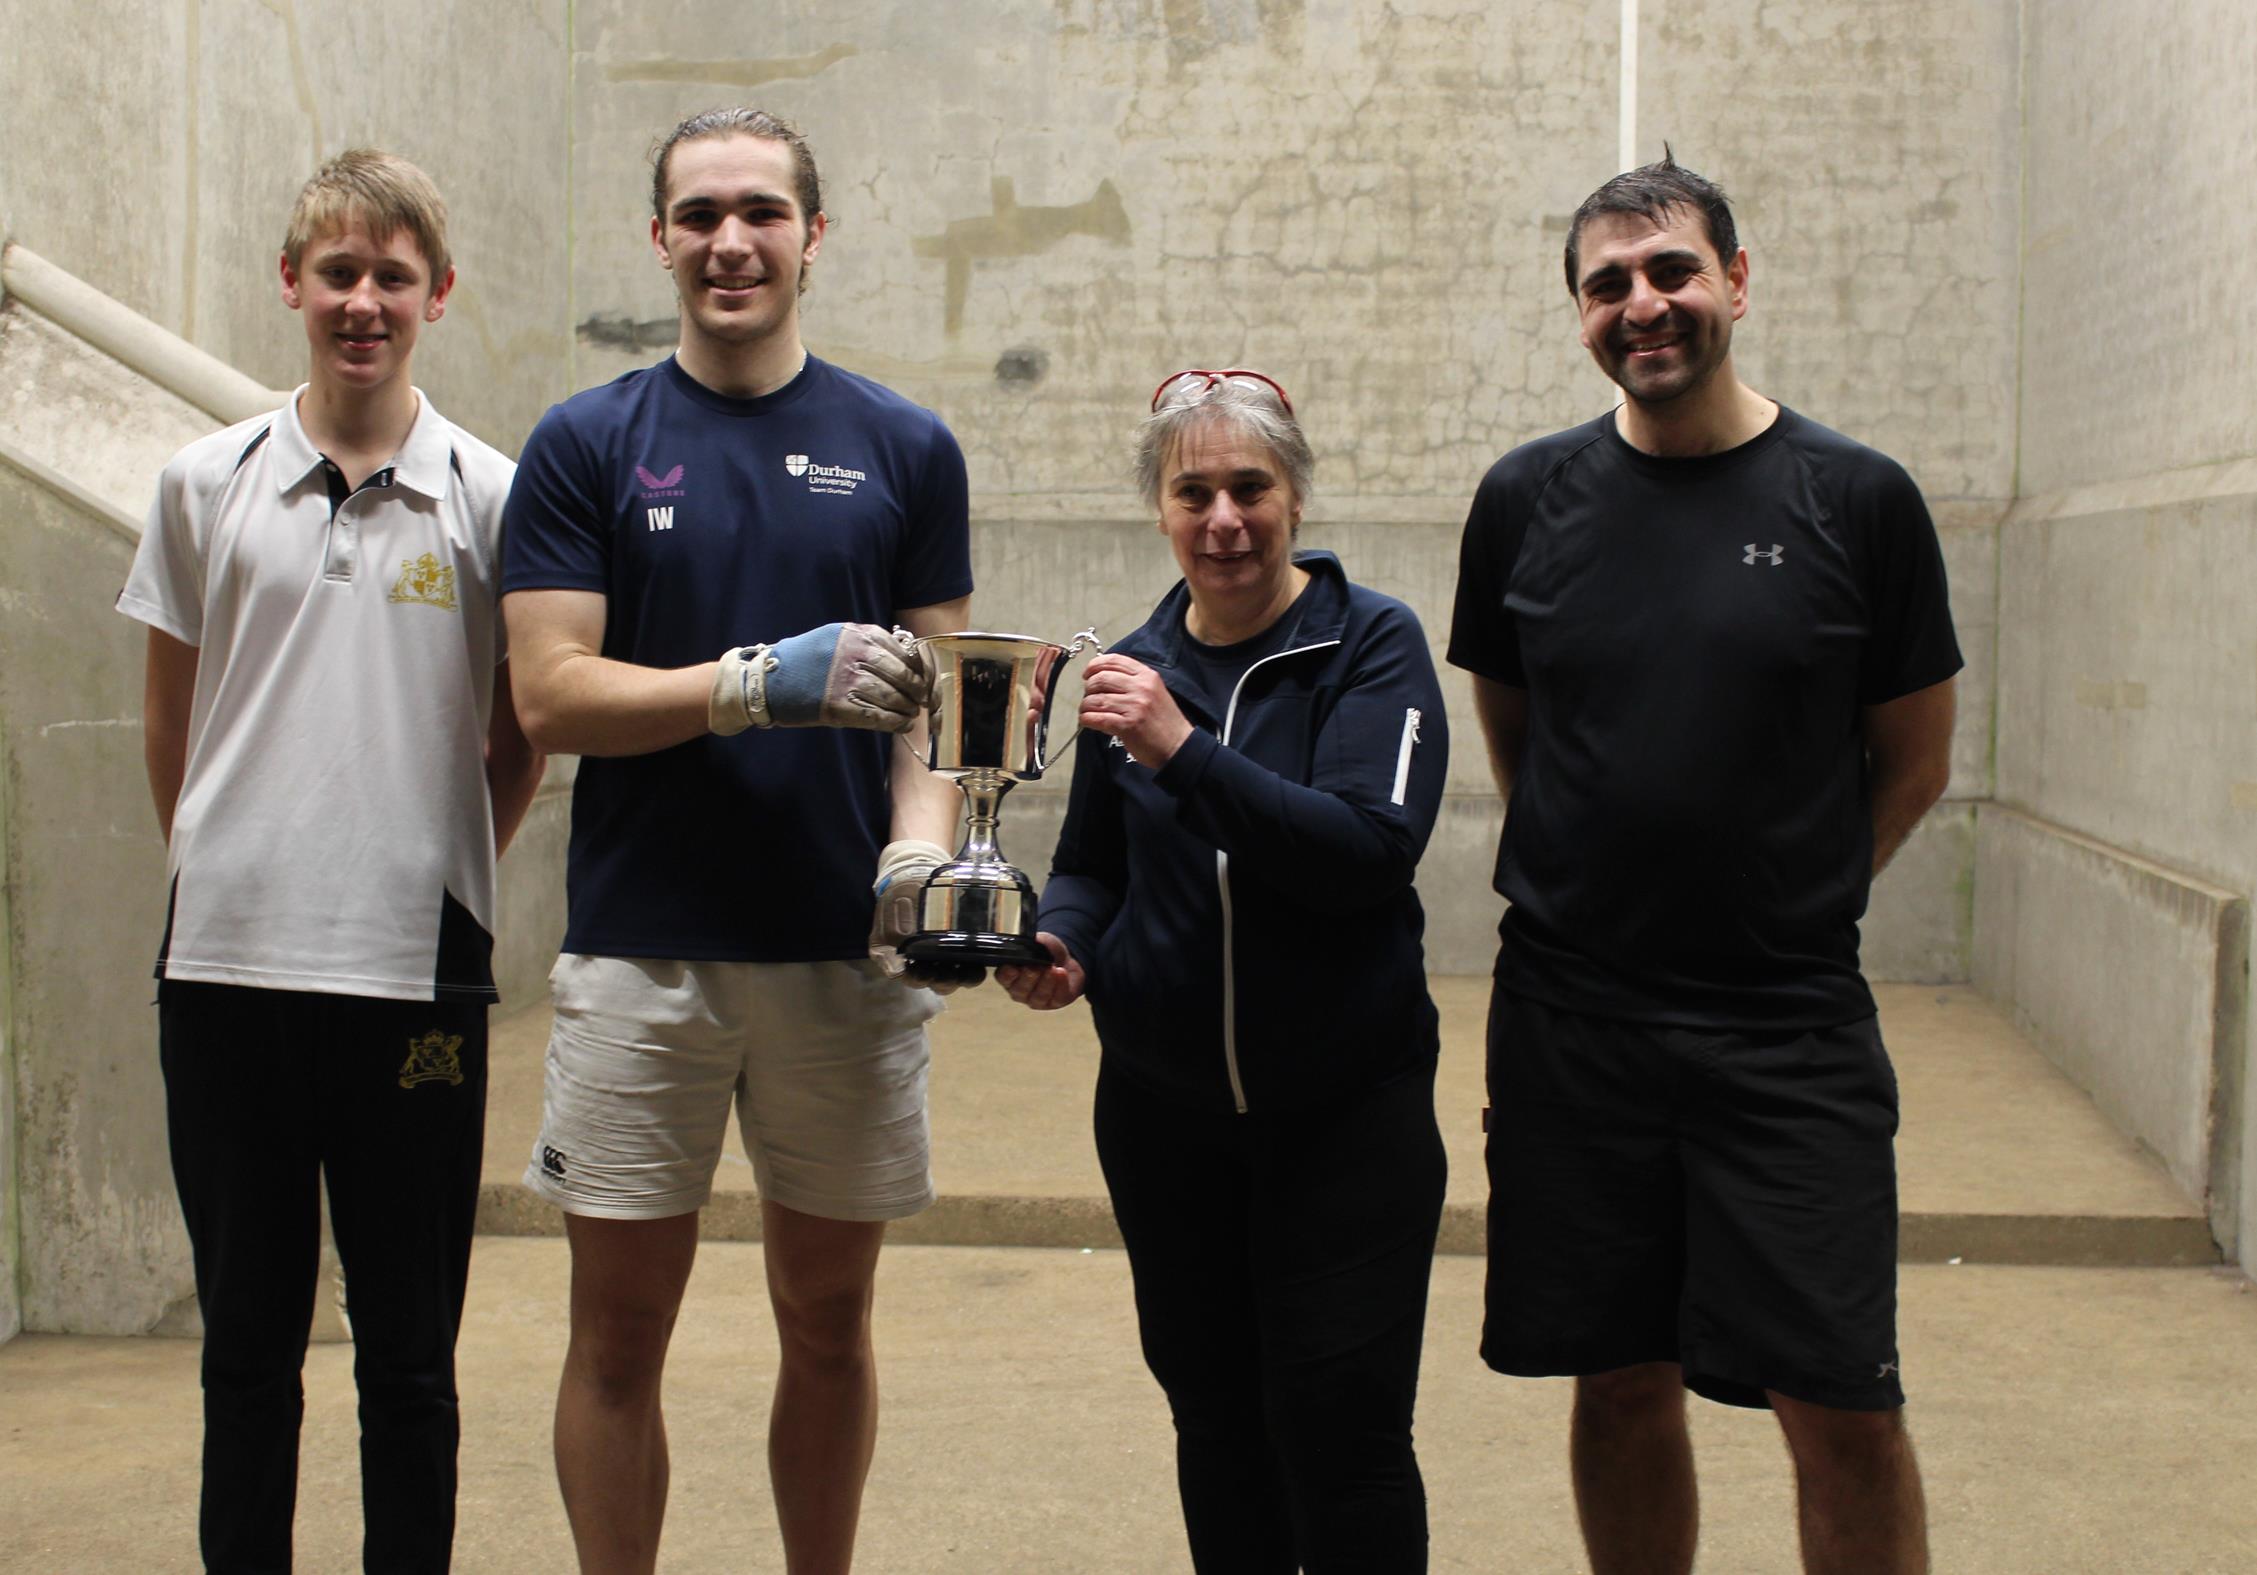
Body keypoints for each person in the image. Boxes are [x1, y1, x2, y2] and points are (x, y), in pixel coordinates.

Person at [1449, 152, 1960, 1574]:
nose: (1643, 303)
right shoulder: (1522, 500)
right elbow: (1519, 725)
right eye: (1606, 283)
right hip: (1573, 1027)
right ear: (1579, 313)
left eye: (1671, 269)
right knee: (1616, 1377)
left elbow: (1913, 757)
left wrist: (1789, 897)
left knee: (1840, 1401)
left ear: (1735, 281)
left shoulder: (1859, 498)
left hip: (1787, 1030)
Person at [499, 107, 974, 1575]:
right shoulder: (587, 443)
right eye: (699, 213)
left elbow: (939, 716)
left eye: (761, 211)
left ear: (812, 236)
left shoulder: (905, 446)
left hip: (845, 959)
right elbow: (548, 692)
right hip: (642, 955)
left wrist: (915, 859)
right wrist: (754, 682)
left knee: (828, 1322)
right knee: (620, 1329)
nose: (730, 241)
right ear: (659, 238)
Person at [116, 149, 543, 1571]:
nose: (364, 302)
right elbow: (175, 728)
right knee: (245, 1350)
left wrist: (418, 868)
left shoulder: (493, 497)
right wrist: (246, 860)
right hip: (226, 966)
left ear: (440, 294)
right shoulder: (200, 482)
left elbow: (513, 738)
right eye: (339, 274)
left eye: (394, 277)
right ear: (292, 284)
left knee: (410, 1359)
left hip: (416, 976)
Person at [999, 368, 1451, 1572]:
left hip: (1345, 1117)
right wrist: (1065, 942)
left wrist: (1182, 750)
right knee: (1216, 1420)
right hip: (1165, 1123)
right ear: (1158, 507)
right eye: (1191, 491)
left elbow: (1365, 852)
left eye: (1249, 487)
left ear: (1294, 496)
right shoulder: (1135, 666)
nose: (1223, 520)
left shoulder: (1372, 645)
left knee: (1340, 1426)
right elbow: (1093, 863)